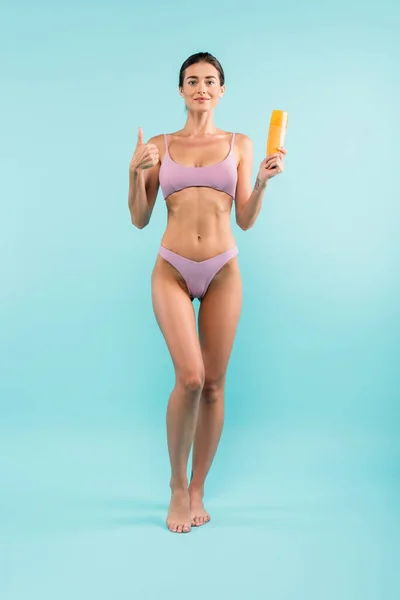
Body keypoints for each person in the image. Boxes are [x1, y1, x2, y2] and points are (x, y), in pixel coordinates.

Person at [128, 52, 286, 534]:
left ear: (221, 91)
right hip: (172, 269)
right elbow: (138, 217)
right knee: (191, 377)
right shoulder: (158, 144)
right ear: (180, 90)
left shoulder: (239, 143)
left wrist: (259, 182)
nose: (201, 87)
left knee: (215, 384)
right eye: (192, 80)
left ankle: (198, 487)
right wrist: (136, 172)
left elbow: (244, 219)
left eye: (210, 81)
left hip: (223, 270)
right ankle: (177, 487)